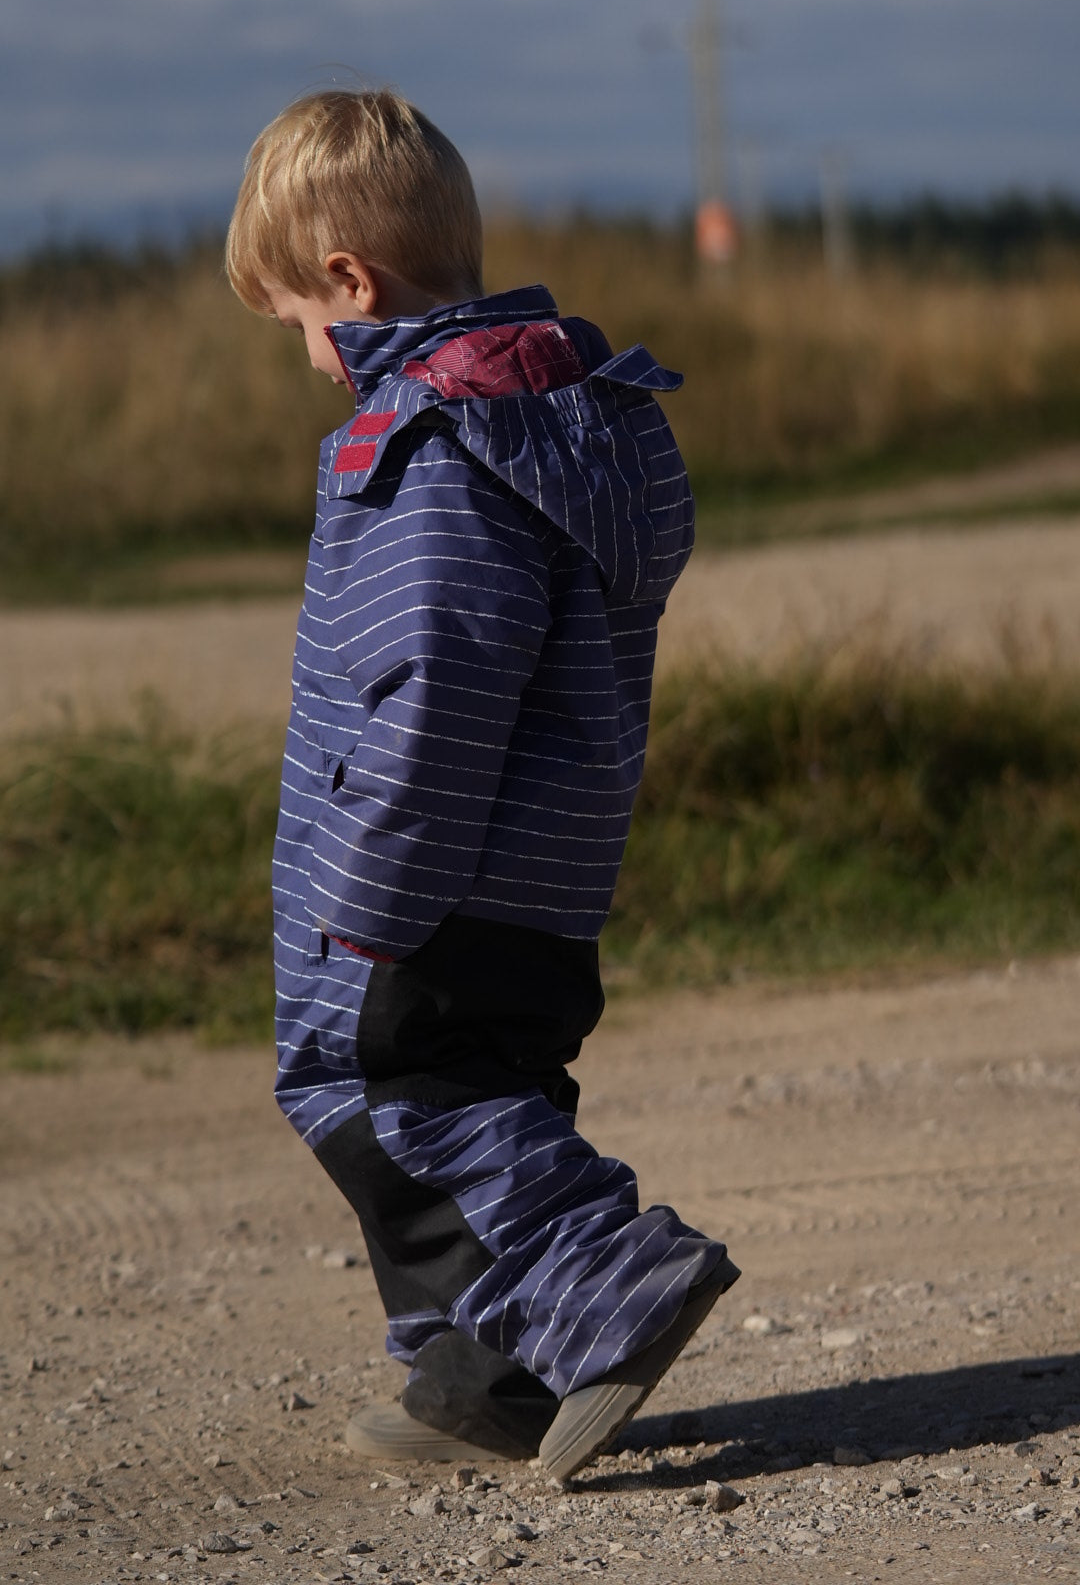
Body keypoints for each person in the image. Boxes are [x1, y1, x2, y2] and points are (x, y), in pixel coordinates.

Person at [226, 87, 739, 1482]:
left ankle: (605, 1280)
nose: (310, 359)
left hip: (429, 870)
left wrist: (372, 892)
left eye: (299, 325)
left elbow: (432, 689)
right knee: (484, 1094)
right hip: (545, 865)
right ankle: (483, 1376)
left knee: (388, 1095)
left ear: (351, 279)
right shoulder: (564, 423)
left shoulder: (436, 448)